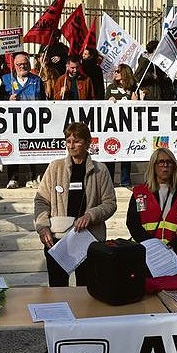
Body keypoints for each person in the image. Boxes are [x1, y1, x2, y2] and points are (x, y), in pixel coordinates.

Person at [34, 122, 117, 287]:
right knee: (57, 290)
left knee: (86, 290)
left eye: (77, 141)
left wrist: (90, 215)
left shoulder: (100, 170)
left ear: (88, 142)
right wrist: (42, 227)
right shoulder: (55, 167)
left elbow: (110, 203)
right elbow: (41, 200)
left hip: (88, 239)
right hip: (57, 239)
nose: (71, 145)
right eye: (68, 141)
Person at [126, 148, 177, 270]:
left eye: (169, 162)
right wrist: (153, 247)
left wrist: (172, 247)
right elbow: (132, 223)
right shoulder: (140, 192)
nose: (165, 165)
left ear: (174, 166)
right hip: (148, 256)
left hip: (176, 256)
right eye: (160, 162)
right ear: (153, 166)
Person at [0, 52, 44, 188]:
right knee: (13, 149)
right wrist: (8, 99)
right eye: (19, 64)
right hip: (13, 123)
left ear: (29, 64)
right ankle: (13, 178)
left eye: (25, 64)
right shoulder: (7, 80)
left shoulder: (37, 80)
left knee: (32, 148)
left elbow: (43, 100)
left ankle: (32, 177)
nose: (22, 66)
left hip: (32, 122)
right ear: (14, 66)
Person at [105, 63, 137, 186]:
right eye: (115, 71)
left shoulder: (132, 88)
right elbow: (105, 101)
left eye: (118, 71)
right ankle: (109, 182)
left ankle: (125, 181)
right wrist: (109, 101)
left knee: (126, 153)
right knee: (111, 152)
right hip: (112, 125)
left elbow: (136, 104)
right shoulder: (111, 87)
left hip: (127, 126)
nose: (115, 73)